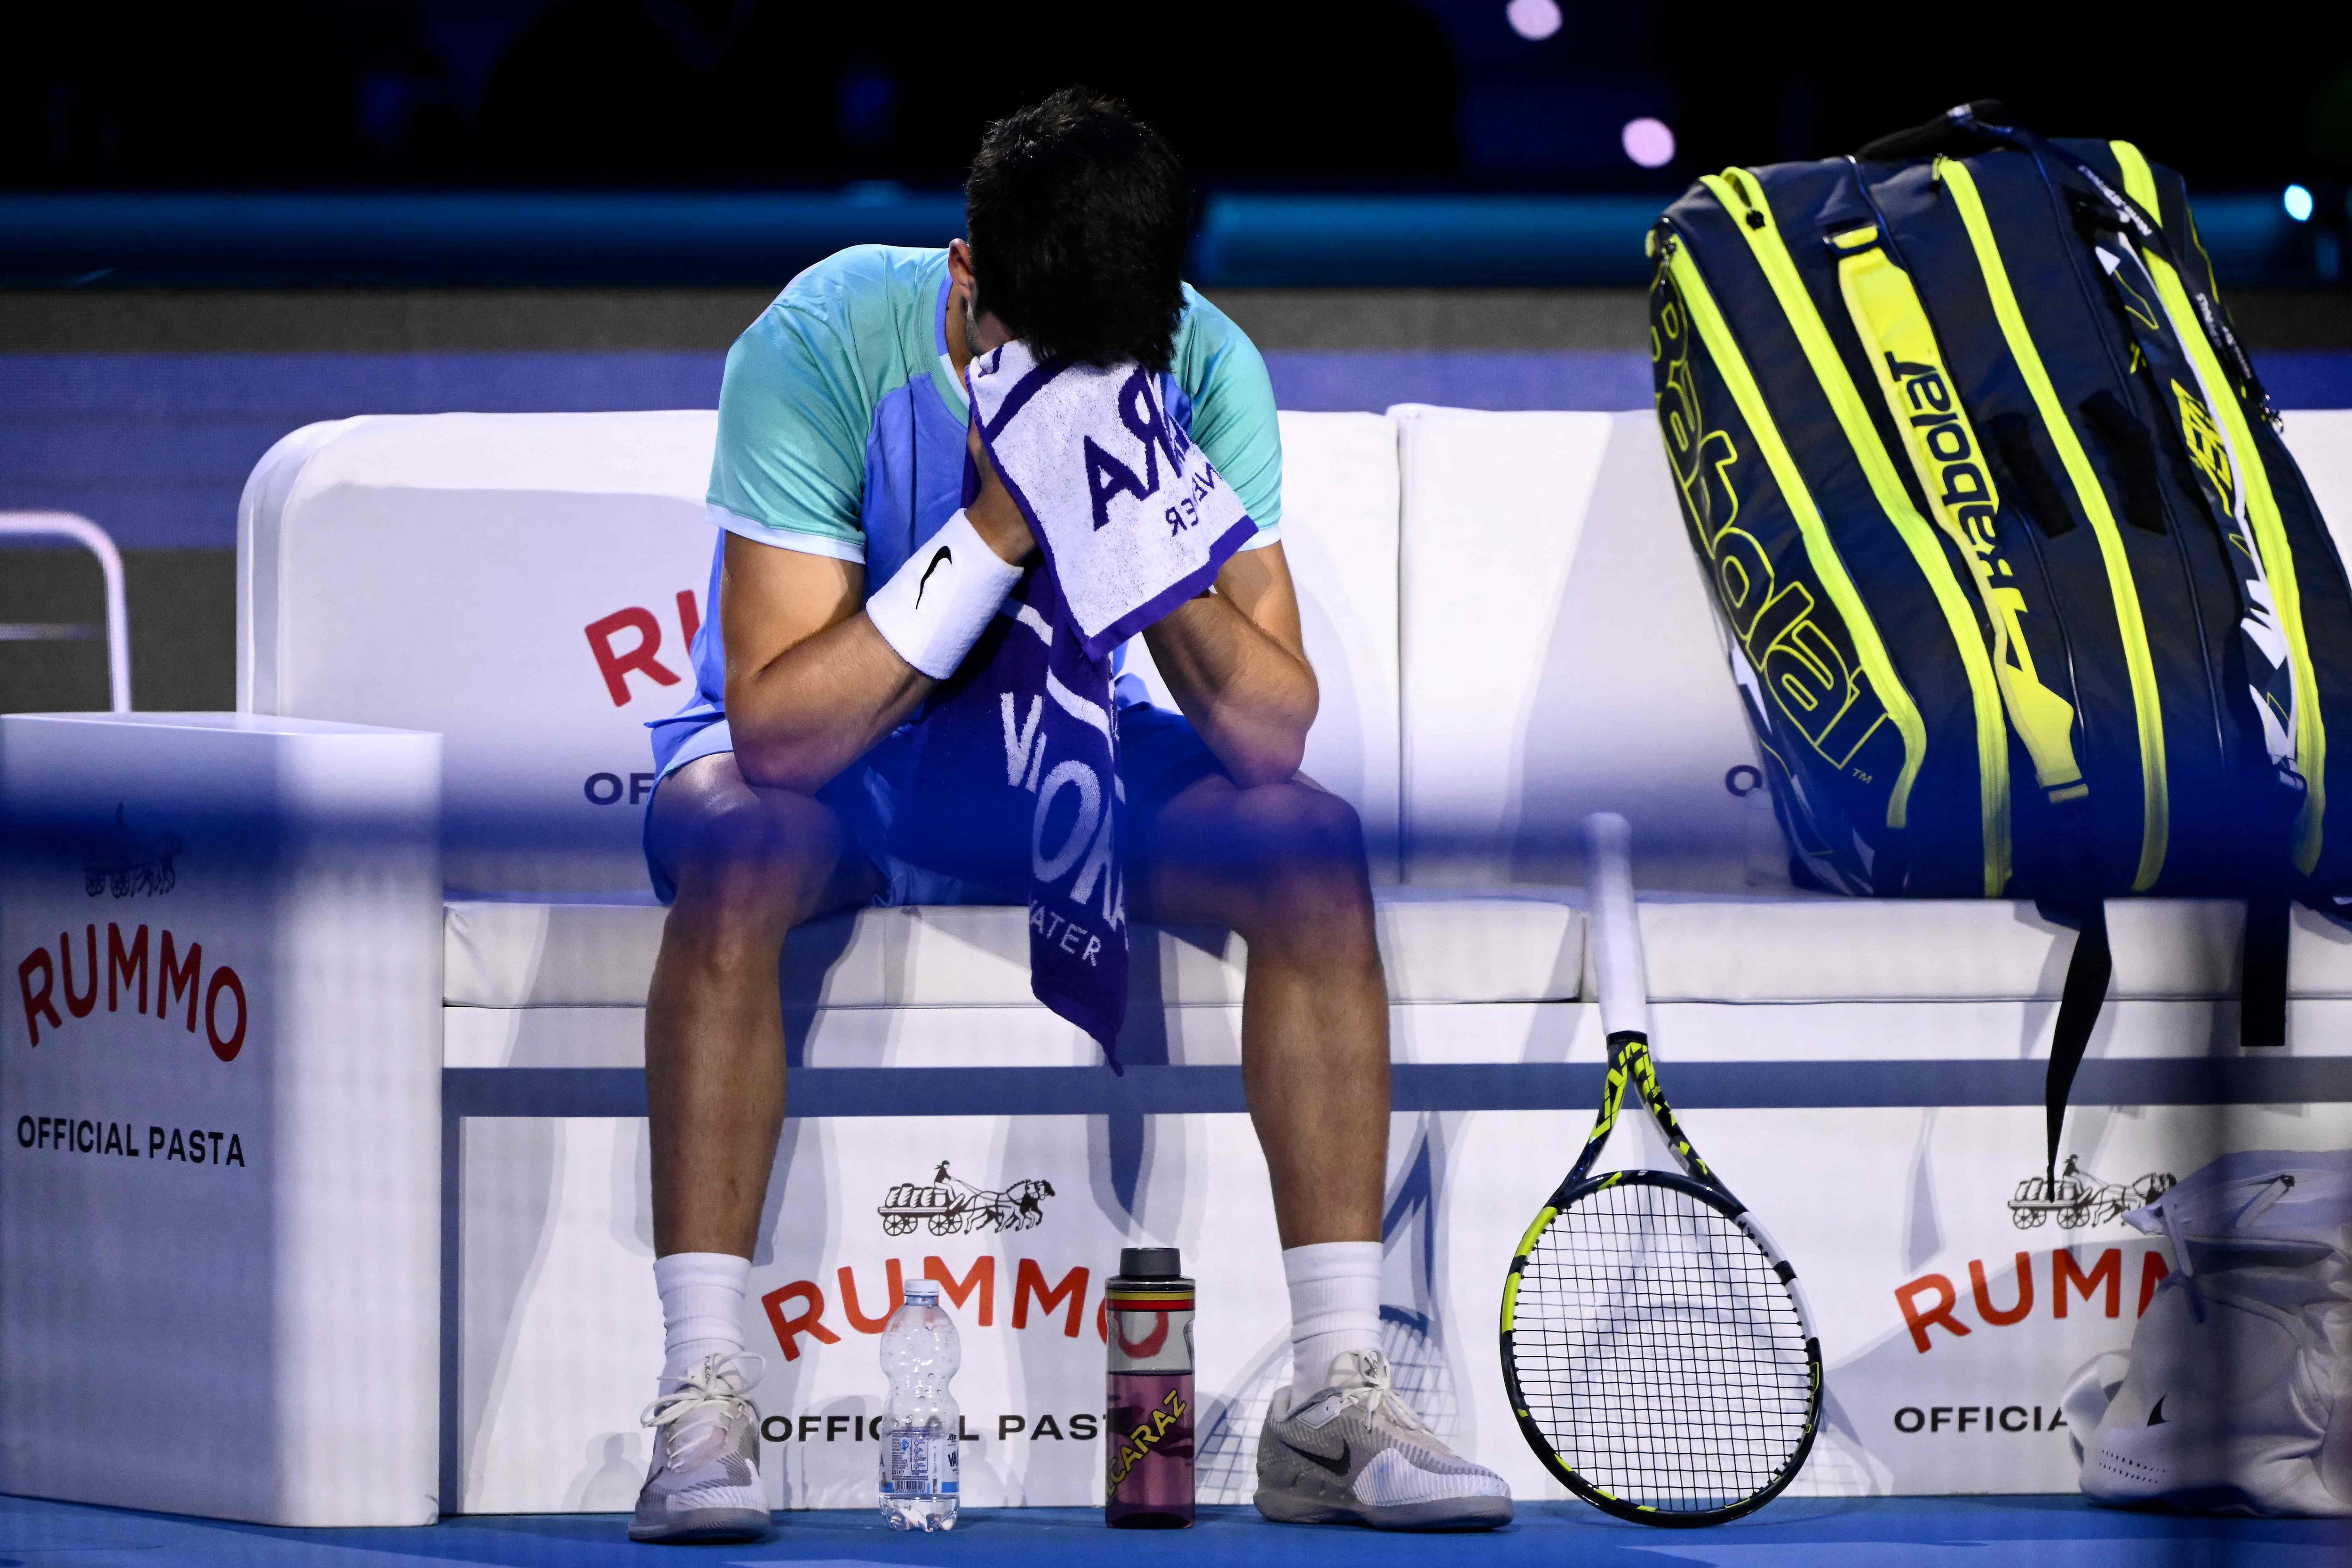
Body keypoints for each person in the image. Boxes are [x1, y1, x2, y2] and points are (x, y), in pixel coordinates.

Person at [627, 88, 1511, 1542]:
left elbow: (1269, 735)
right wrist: (999, 526)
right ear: (967, 279)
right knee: (741, 835)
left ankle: (1333, 1398)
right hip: (850, 763)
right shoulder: (824, 338)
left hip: (1074, 756)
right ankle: (701, 1395)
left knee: (1309, 843)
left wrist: (1137, 533)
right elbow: (781, 733)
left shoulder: (1200, 362)